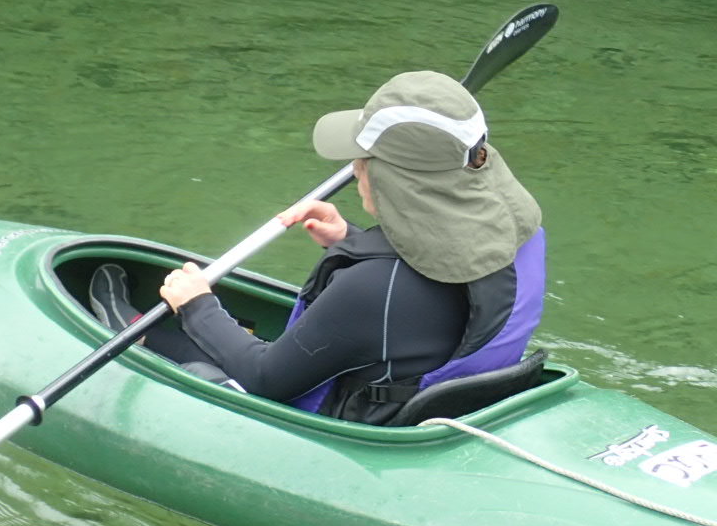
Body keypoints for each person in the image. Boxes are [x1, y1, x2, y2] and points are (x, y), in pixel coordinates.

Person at [89, 70, 546, 425]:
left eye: (364, 162)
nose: (354, 168)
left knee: (185, 341)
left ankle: (136, 332)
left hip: (346, 419)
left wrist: (196, 305)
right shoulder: (522, 236)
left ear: (399, 182)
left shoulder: (373, 289)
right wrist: (349, 238)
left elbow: (266, 381)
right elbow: (432, 291)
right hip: (427, 396)